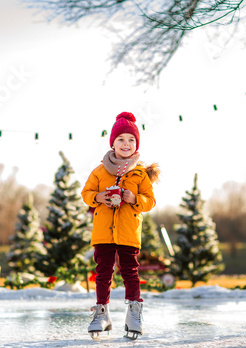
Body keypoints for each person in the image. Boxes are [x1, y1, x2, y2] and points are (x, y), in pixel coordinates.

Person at [81, 111, 159, 339]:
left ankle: (134, 311)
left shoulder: (140, 174)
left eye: (131, 140)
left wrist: (133, 199)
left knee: (130, 272)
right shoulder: (100, 170)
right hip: (103, 231)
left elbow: (150, 201)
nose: (126, 144)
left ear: (136, 144)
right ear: (113, 143)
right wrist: (99, 198)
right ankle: (101, 312)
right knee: (103, 272)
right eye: (121, 140)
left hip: (128, 232)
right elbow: (86, 193)